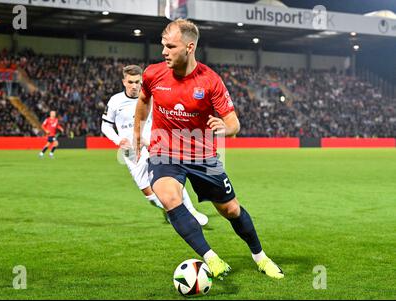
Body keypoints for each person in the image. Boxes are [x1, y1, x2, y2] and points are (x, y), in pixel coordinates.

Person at [134, 19, 284, 280]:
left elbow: (233, 123)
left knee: (230, 210)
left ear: (189, 47)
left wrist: (224, 130)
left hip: (202, 155)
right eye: (163, 45)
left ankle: (260, 257)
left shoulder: (210, 81)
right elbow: (144, 99)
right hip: (164, 152)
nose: (164, 52)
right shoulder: (152, 74)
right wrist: (137, 131)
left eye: (170, 46)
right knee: (169, 198)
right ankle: (211, 258)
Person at [102, 64, 208, 226]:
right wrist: (119, 140)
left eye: (138, 82)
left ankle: (190, 211)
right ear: (124, 82)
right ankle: (167, 209)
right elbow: (106, 126)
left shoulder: (149, 97)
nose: (134, 86)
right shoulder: (115, 101)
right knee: (150, 195)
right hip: (131, 152)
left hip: (153, 144)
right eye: (130, 82)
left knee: (169, 178)